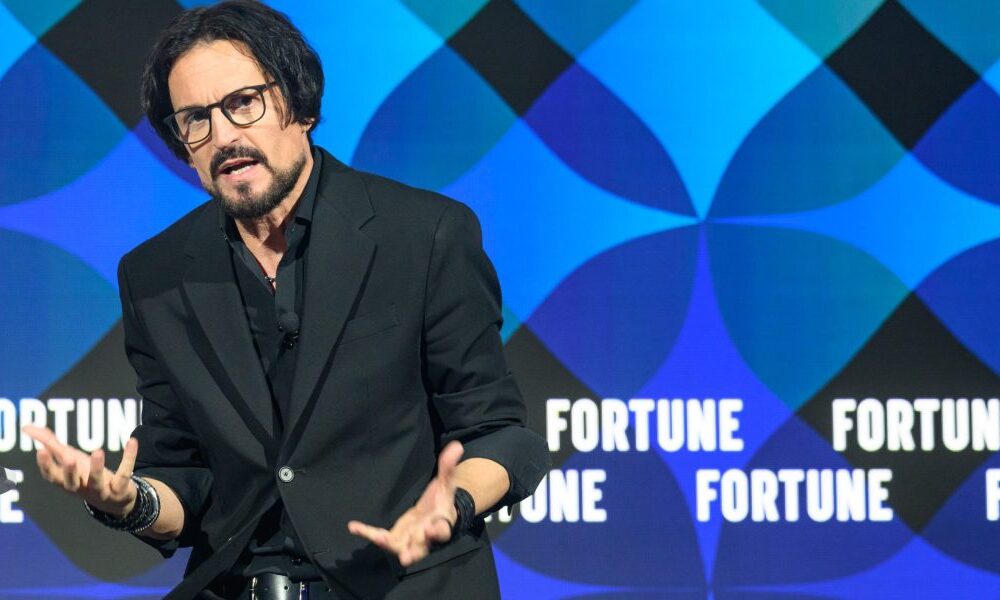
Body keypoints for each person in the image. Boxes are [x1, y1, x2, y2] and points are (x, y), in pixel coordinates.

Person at [22, 1, 548, 598]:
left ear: (300, 104)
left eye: (243, 103)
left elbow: (499, 433)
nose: (224, 136)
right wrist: (127, 501)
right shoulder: (156, 276)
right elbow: (182, 475)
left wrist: (450, 504)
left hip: (402, 584)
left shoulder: (424, 235)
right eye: (195, 119)